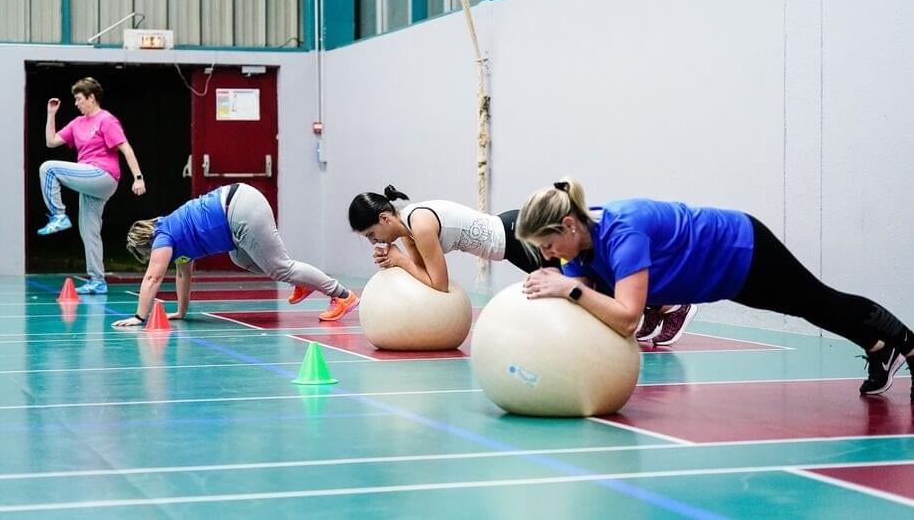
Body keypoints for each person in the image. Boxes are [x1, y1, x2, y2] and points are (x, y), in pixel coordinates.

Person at [516, 177, 914, 400]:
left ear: (569, 224)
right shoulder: (577, 251)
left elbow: (626, 318)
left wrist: (568, 290)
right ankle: (880, 348)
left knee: (820, 302)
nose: (549, 256)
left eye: (548, 246)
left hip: (741, 247)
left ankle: (909, 345)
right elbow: (585, 300)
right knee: (807, 308)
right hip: (721, 278)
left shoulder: (624, 232)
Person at [111, 183, 358, 328]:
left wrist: (138, 317)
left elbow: (153, 278)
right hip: (237, 208)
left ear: (147, 244)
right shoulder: (177, 242)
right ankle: (302, 282)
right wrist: (181, 312)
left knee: (281, 268)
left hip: (240, 209)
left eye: (145, 254)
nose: (150, 257)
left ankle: (342, 295)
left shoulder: (163, 236)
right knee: (239, 258)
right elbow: (183, 276)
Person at [39, 77, 146, 294]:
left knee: (48, 169)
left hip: (103, 176)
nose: (76, 103)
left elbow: (126, 148)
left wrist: (138, 177)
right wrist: (51, 114)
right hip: (89, 180)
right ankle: (98, 281)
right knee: (89, 231)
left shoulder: (107, 120)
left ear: (91, 98)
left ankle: (58, 215)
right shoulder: (77, 123)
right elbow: (51, 142)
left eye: (79, 99)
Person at [348, 185, 561, 292]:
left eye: (371, 234)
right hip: (510, 240)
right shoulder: (408, 231)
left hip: (516, 235)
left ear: (384, 218)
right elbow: (423, 275)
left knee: (567, 283)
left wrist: (400, 260)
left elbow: (439, 284)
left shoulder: (420, 225)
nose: (374, 241)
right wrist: (394, 260)